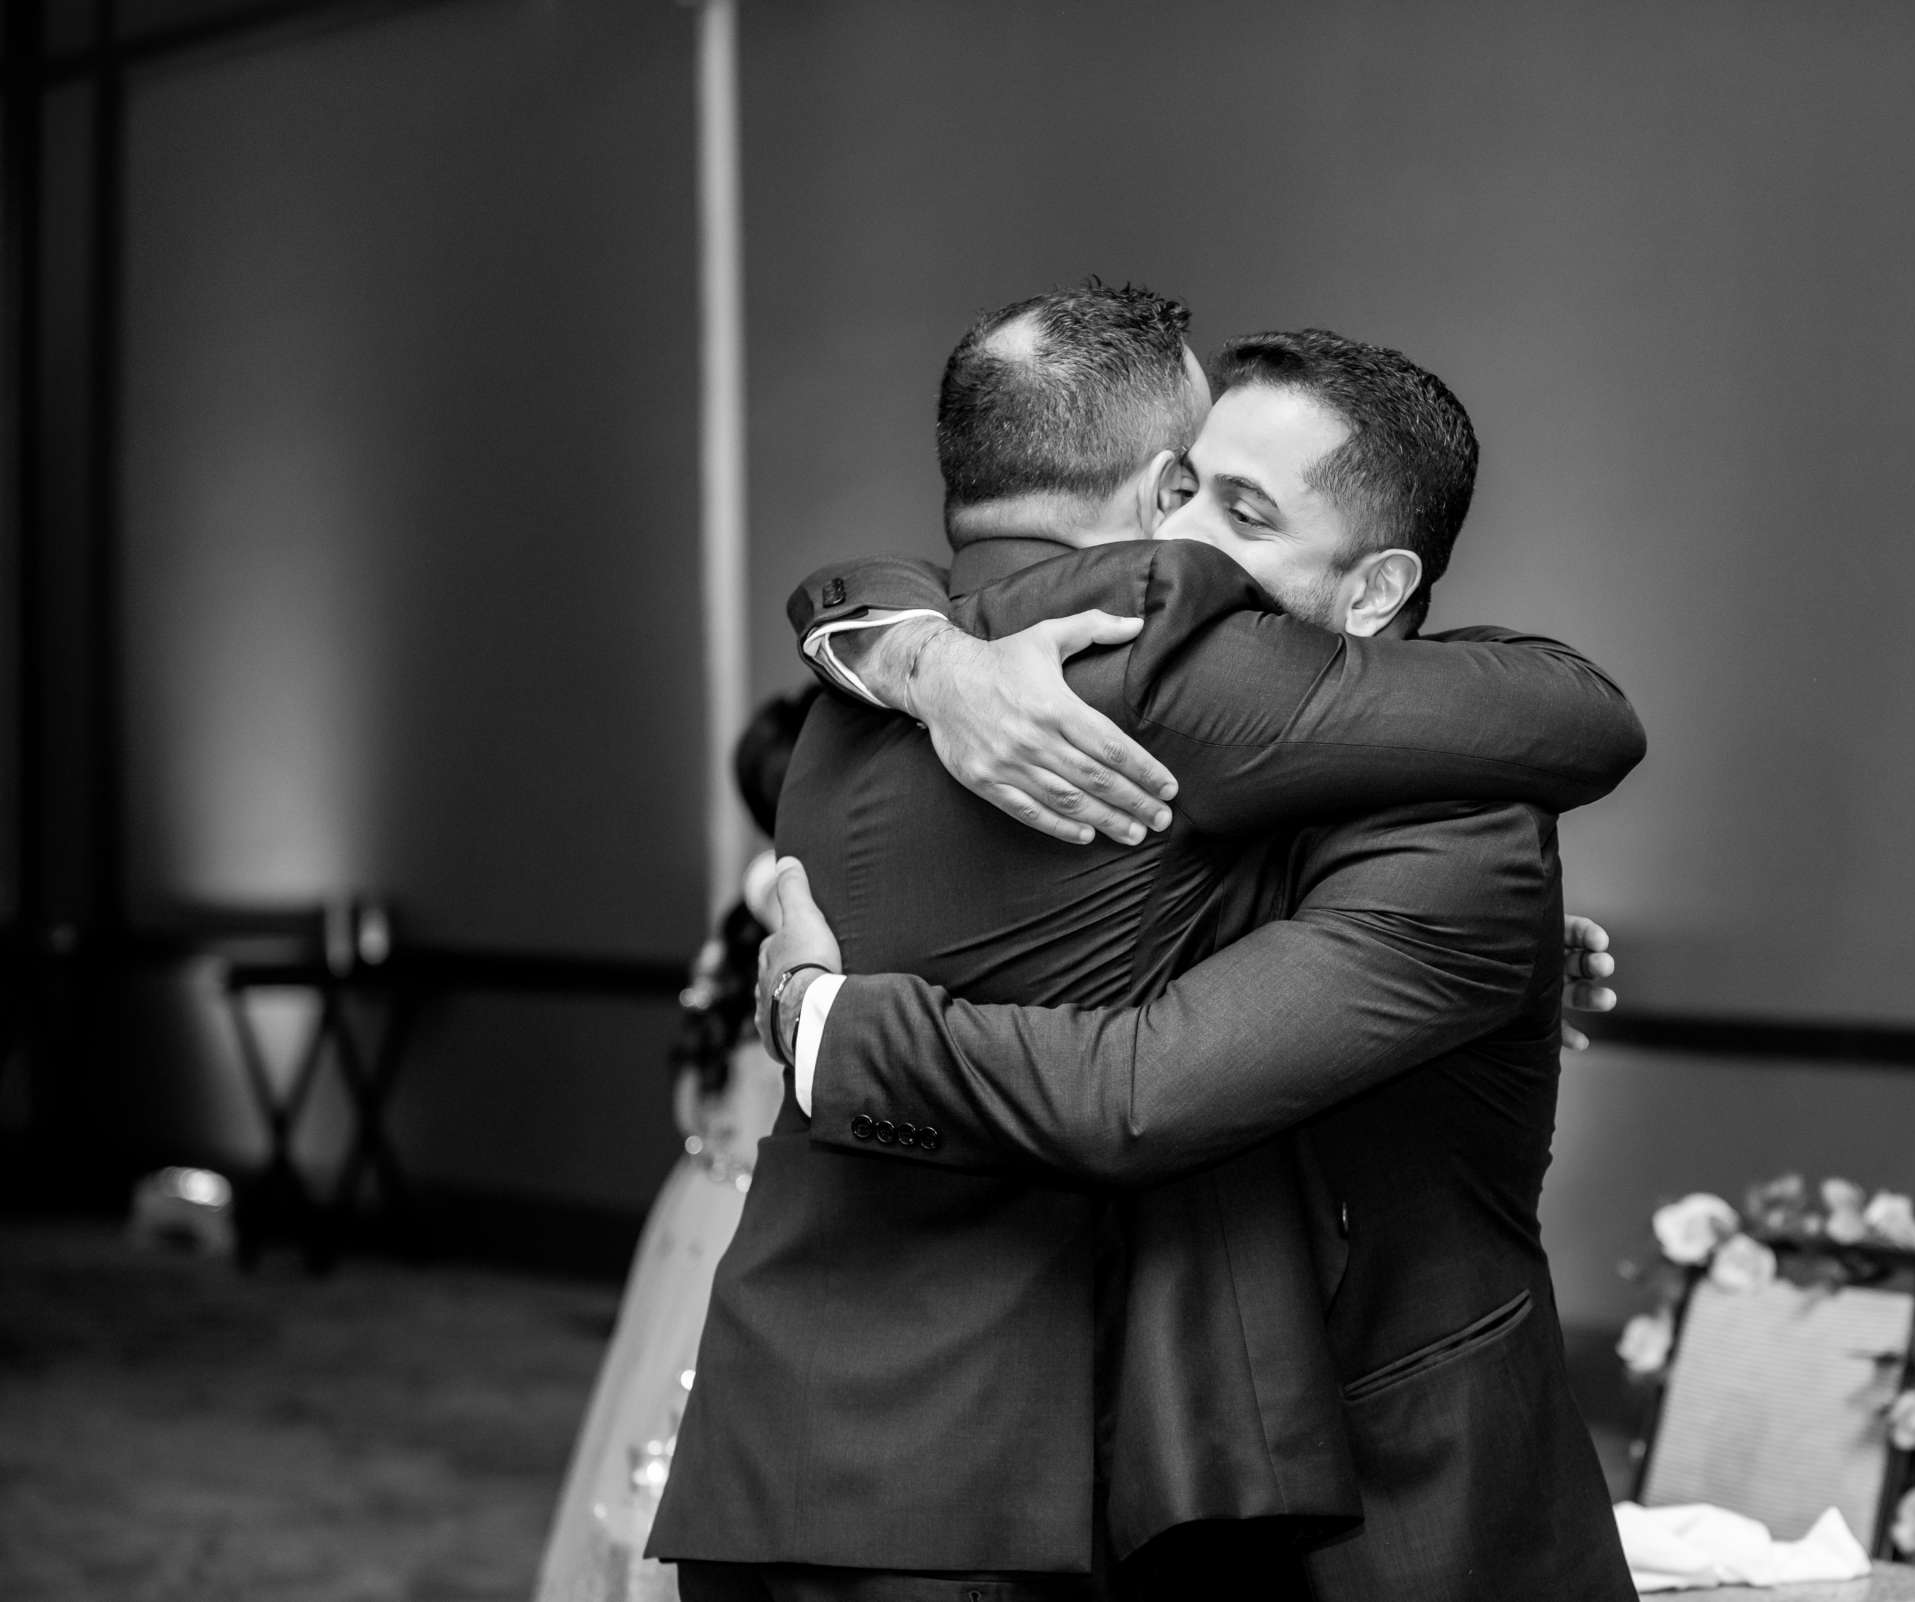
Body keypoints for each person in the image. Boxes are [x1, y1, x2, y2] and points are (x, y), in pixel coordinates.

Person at [652, 288, 1643, 1602]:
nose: (1176, 539)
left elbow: (1147, 1083)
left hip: (1402, 1510)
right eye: (1181, 490)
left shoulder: (1443, 825)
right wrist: (919, 649)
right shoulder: (1037, 672)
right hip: (1078, 1489)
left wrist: (830, 1025)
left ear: (1377, 586)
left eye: (1236, 510)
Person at [533, 696, 810, 1602]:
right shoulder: (800, 918)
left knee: (663, 1429)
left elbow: (689, 1099)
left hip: (700, 1194)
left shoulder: (736, 930)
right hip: (765, 1212)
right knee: (705, 1442)